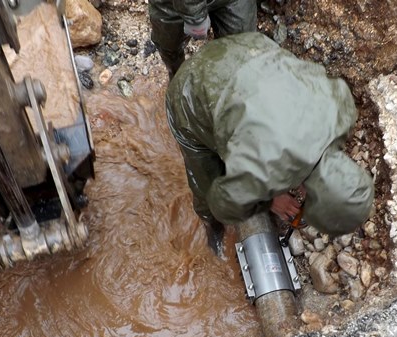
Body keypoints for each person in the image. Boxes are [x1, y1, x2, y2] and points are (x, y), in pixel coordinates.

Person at [165, 32, 375, 253]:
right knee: (205, 183)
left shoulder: (343, 111)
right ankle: (210, 226)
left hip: (242, 47)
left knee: (239, 144)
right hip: (190, 91)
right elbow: (223, 203)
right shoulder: (268, 165)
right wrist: (268, 200)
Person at [148, 0, 257, 79]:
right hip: (170, 4)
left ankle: (225, 84)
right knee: (169, 44)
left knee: (241, 47)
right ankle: (177, 77)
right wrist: (195, 17)